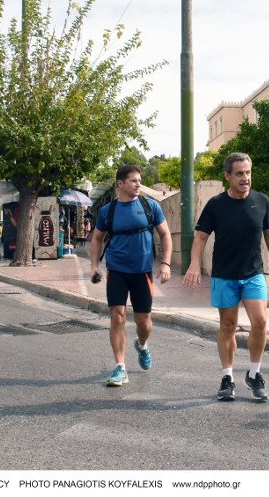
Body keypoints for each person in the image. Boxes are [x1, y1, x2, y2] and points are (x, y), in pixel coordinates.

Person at [183, 152, 269, 402]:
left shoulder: (261, 201)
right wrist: (194, 264)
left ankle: (254, 374)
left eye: (248, 172)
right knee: (228, 326)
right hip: (225, 275)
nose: (245, 178)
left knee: (260, 322)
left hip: (253, 274)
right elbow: (201, 237)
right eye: (239, 173)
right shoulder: (216, 204)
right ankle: (227, 378)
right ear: (227, 176)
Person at [90, 164, 173, 387]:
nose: (138, 184)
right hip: (116, 270)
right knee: (117, 316)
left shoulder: (150, 206)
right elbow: (97, 238)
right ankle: (120, 367)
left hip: (142, 272)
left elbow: (165, 235)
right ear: (120, 184)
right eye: (134, 180)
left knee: (144, 323)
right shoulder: (108, 211)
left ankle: (142, 345)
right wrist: (95, 265)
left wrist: (165, 263)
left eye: (139, 180)